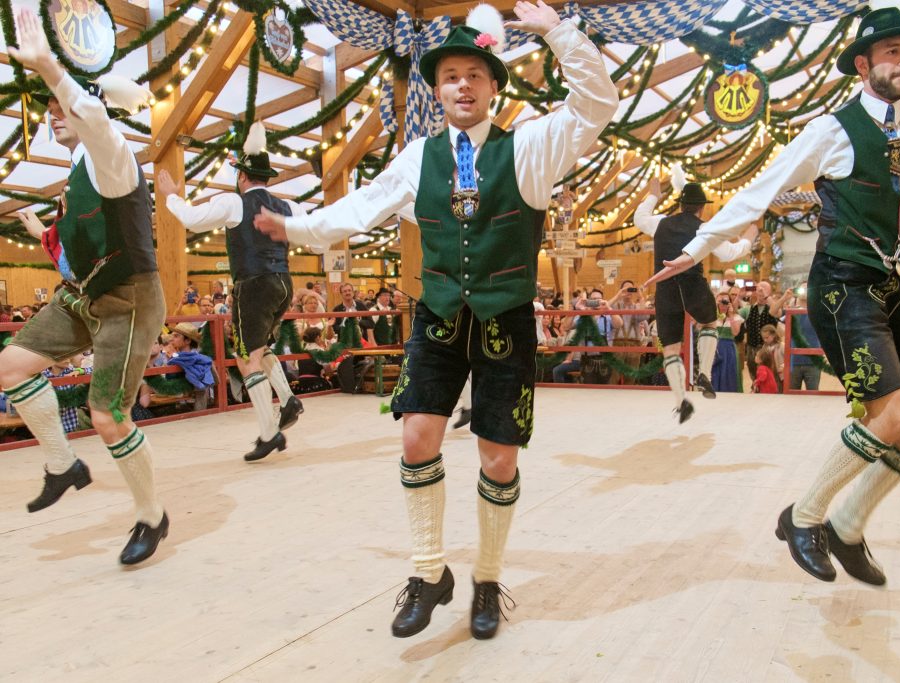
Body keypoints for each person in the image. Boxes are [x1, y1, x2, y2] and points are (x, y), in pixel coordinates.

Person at [255, 0, 616, 639]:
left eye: (474, 75)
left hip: (506, 319)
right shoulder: (417, 157)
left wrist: (558, 34)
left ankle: (487, 577)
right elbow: (362, 207)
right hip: (441, 315)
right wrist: (296, 227)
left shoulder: (531, 147)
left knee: (498, 457)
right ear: (437, 89)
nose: (462, 85)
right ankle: (428, 572)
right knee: (417, 438)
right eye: (450, 76)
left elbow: (597, 105)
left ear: (494, 86)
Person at [646, 2, 900, 587]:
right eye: (893, 52)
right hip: (845, 285)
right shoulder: (832, 130)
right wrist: (697, 248)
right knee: (892, 413)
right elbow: (763, 189)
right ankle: (803, 517)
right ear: (863, 63)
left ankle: (847, 526)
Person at [3, 9, 168, 565]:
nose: (54, 114)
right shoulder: (77, 171)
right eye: (50, 109)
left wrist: (51, 66)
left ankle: (152, 516)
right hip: (84, 294)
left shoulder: (113, 155)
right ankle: (61, 465)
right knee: (7, 368)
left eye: (60, 107)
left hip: (129, 298)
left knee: (107, 415)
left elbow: (94, 118)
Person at [158, 121, 305, 462]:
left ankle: (270, 433)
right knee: (260, 348)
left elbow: (192, 219)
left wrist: (171, 197)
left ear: (241, 176)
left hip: (253, 284)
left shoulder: (233, 202)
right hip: (284, 282)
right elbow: (311, 231)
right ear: (265, 176)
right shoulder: (287, 206)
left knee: (244, 357)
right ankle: (287, 400)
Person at [634, 176, 754, 421]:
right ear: (702, 207)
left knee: (670, 348)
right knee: (709, 323)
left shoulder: (660, 223)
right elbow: (729, 254)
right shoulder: (705, 228)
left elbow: (639, 218)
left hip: (665, 289)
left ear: (680, 205)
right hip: (692, 284)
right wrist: (748, 240)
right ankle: (705, 375)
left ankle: (681, 401)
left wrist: (654, 195)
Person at [711, 294, 744, 393]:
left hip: (729, 349)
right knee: (714, 373)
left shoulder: (736, 317)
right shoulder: (712, 316)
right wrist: (713, 309)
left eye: (726, 301)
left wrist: (730, 315)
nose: (723, 304)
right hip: (714, 348)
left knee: (729, 372)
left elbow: (735, 332)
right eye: (721, 301)